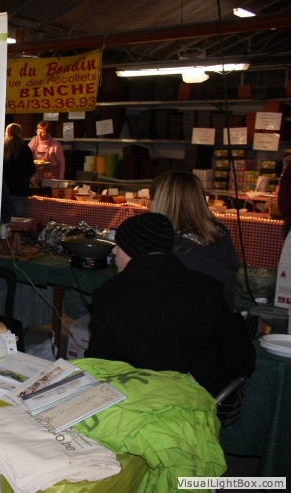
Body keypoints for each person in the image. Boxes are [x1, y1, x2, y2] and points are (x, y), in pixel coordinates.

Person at [85, 213, 255, 397]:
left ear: (134, 249)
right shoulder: (208, 289)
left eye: (119, 245)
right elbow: (242, 363)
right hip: (198, 402)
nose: (114, 251)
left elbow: (98, 364)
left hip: (136, 402)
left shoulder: (109, 295)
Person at [149, 170, 239, 312]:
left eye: (152, 198)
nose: (148, 205)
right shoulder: (217, 232)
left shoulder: (179, 250)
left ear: (165, 203)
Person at [2, 122, 35, 218]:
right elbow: (31, 170)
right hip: (20, 190)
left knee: (3, 219)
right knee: (19, 221)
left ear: (7, 132)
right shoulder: (25, 148)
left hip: (4, 189)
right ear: (20, 133)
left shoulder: (1, 147)